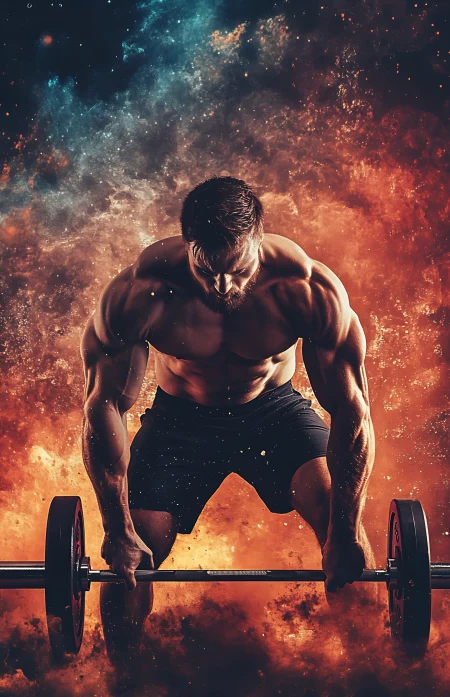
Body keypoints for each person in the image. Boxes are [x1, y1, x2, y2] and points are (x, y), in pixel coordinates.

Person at [81, 176, 376, 667]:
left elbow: (351, 410)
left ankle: (371, 669)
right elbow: (102, 406)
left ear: (256, 242)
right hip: (182, 422)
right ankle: (122, 684)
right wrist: (116, 526)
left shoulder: (305, 288)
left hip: (274, 412)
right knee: (135, 554)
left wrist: (345, 531)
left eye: (236, 270)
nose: (222, 287)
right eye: (207, 271)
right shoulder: (143, 292)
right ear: (187, 244)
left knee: (338, 519)